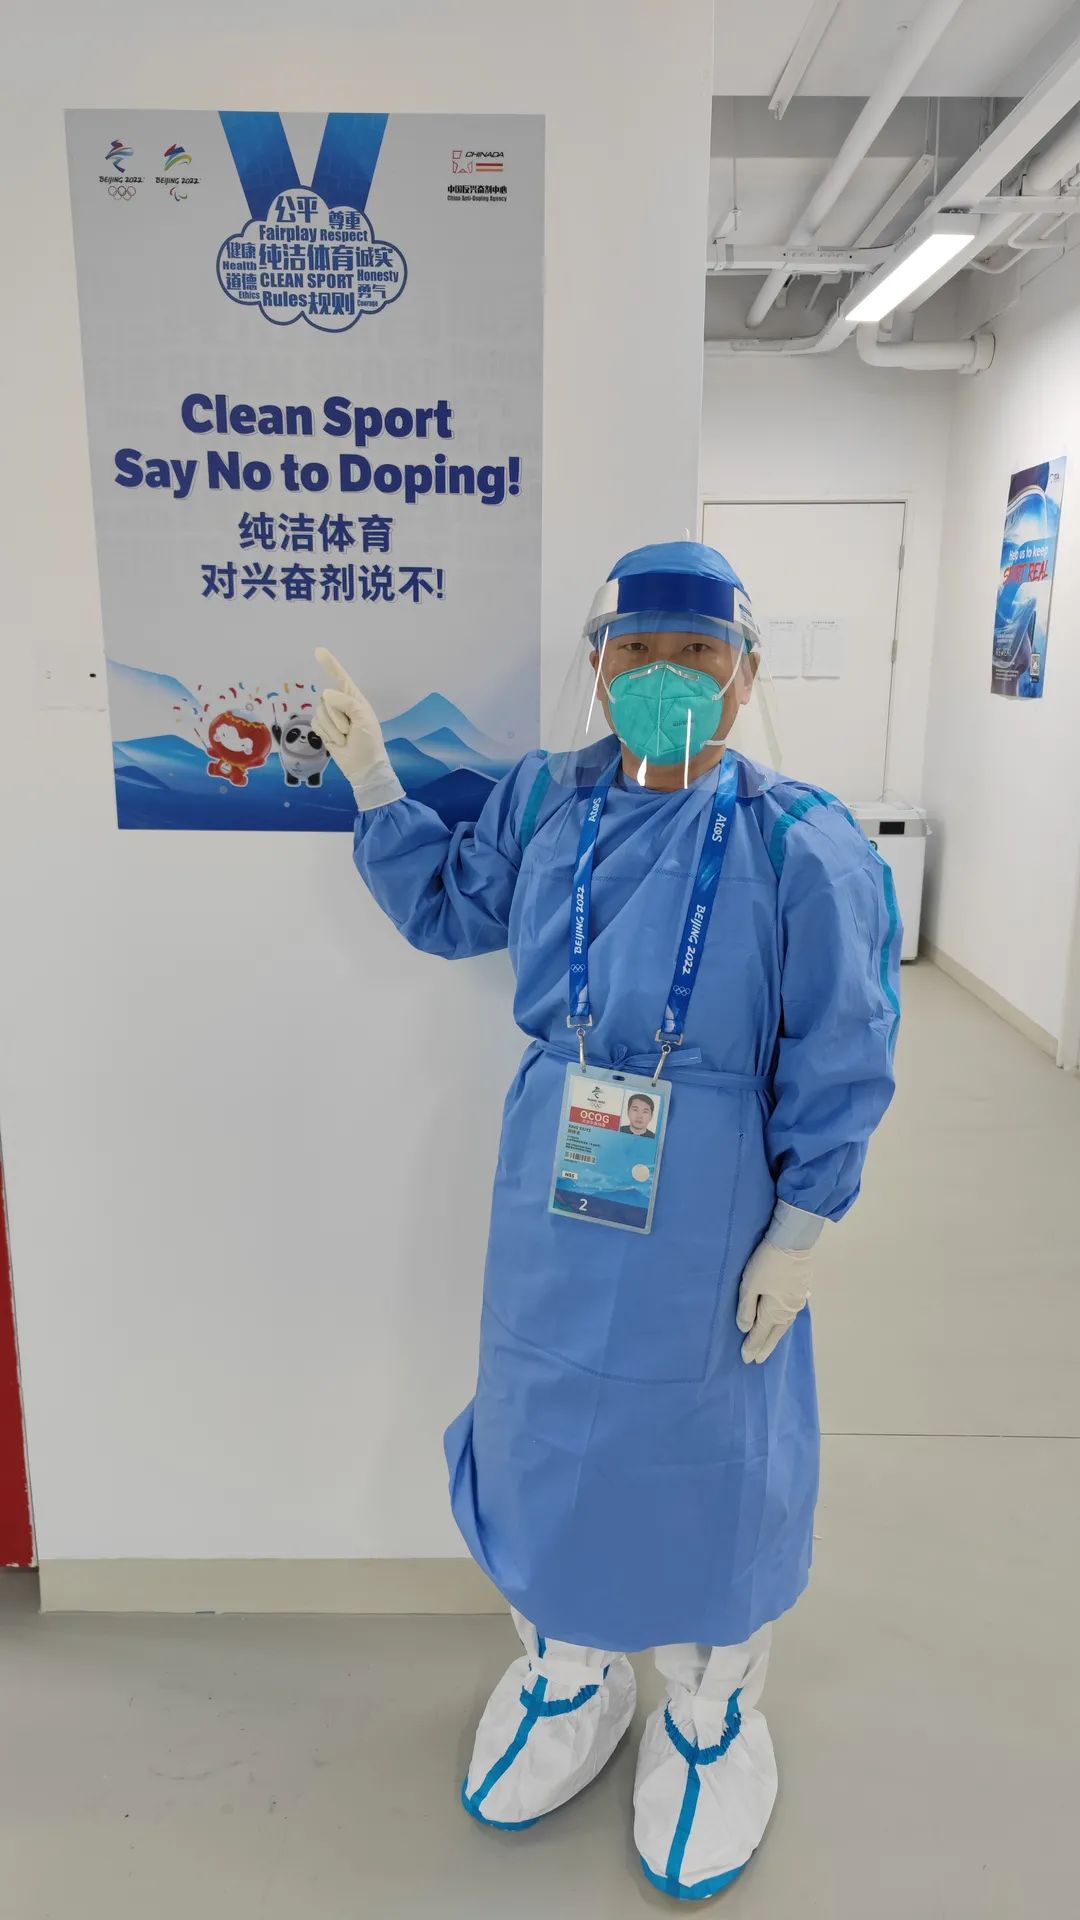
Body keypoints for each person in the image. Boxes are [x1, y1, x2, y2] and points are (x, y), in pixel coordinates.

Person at [314, 540, 901, 1900]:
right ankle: (570, 1672)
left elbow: (844, 1045)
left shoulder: (800, 842)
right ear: (599, 664)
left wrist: (800, 1232)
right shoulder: (545, 803)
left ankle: (709, 1709)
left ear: (744, 678)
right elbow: (450, 910)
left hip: (713, 1196)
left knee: (705, 1442)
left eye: (697, 654)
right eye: (638, 652)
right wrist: (376, 781)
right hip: (557, 1174)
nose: (665, 676)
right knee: (544, 1427)